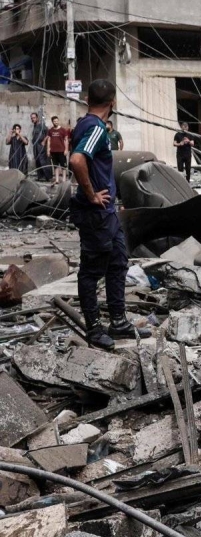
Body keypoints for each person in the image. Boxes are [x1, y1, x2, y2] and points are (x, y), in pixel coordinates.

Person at [67, 79, 148, 349]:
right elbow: (77, 159)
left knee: (118, 261)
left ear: (88, 100)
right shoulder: (96, 128)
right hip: (95, 213)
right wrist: (92, 194)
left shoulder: (85, 124)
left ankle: (118, 322)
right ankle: (93, 329)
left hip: (107, 213)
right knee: (91, 271)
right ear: (113, 102)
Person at [46, 116, 71, 183]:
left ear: (58, 121)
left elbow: (66, 140)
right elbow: (49, 140)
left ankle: (64, 180)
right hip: (53, 151)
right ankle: (57, 180)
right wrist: (48, 150)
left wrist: (66, 149)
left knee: (63, 166)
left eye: (57, 121)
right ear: (52, 122)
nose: (56, 122)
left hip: (61, 151)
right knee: (55, 166)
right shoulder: (50, 130)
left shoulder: (63, 130)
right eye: (54, 121)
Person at [30, 113, 50, 181]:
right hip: (35, 146)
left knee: (42, 161)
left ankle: (47, 177)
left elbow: (48, 134)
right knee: (37, 160)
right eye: (32, 118)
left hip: (41, 146)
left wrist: (44, 141)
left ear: (37, 118)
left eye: (34, 118)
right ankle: (40, 177)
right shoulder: (34, 126)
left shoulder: (42, 125)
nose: (33, 119)